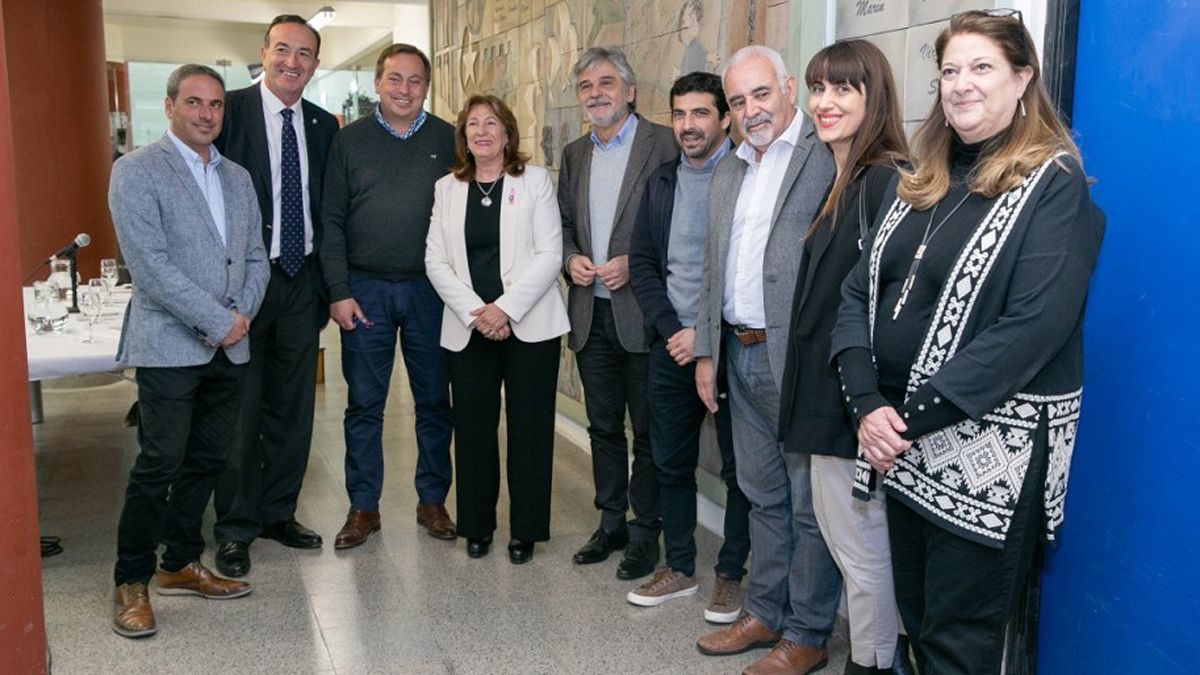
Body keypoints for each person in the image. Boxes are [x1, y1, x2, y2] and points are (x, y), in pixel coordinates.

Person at [830, 11, 1105, 674]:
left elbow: (1033, 328)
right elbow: (856, 295)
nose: (961, 84)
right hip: (902, 447)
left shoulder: (1054, 185)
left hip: (983, 462)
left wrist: (901, 421)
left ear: (1023, 78)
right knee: (920, 627)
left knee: (958, 648)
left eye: (982, 67)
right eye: (950, 70)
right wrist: (866, 404)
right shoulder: (920, 179)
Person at [691, 45, 840, 675]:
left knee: (809, 506)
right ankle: (765, 613)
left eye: (760, 94)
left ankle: (808, 632)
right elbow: (713, 268)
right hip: (739, 352)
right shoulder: (730, 169)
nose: (750, 110)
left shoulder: (826, 156)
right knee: (762, 496)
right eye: (738, 101)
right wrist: (706, 352)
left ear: (788, 88)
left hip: (801, 361)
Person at [108, 64, 269, 638]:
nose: (206, 114)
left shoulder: (238, 178)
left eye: (216, 104)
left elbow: (256, 257)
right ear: (170, 105)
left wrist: (240, 316)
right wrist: (218, 322)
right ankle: (131, 580)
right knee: (160, 463)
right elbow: (149, 266)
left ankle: (178, 562)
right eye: (195, 102)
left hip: (230, 346)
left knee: (208, 459)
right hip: (169, 345)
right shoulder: (136, 170)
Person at [777, 40, 912, 675]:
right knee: (850, 545)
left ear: (873, 96)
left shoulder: (884, 180)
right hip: (827, 397)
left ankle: (874, 664)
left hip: (851, 404)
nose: (824, 102)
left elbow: (888, 307)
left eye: (843, 89)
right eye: (818, 88)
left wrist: (865, 403)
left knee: (863, 553)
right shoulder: (846, 179)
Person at [211, 13, 339, 578]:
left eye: (304, 53)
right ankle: (236, 527)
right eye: (283, 49)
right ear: (263, 53)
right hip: (243, 282)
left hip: (300, 280)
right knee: (240, 409)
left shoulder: (323, 124)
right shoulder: (229, 111)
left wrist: (330, 286)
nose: (293, 62)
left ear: (316, 64)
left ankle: (279, 513)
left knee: (293, 407)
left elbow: (328, 209)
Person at [319, 44, 457, 549]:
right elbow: (331, 221)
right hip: (365, 290)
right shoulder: (349, 141)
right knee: (364, 404)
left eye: (415, 80)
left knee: (434, 402)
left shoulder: (449, 138)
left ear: (427, 87)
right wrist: (338, 291)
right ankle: (363, 507)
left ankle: (432, 501)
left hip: (430, 291)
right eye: (395, 79)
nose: (404, 89)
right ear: (377, 83)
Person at [626, 71, 751, 623]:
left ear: (725, 117)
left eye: (701, 113)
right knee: (668, 461)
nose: (688, 125)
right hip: (672, 345)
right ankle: (679, 566)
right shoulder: (662, 181)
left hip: (731, 348)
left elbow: (745, 270)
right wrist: (674, 330)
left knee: (740, 470)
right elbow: (643, 264)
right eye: (679, 114)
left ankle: (730, 575)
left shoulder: (746, 176)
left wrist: (706, 334)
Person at [425, 95, 570, 564]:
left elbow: (550, 253)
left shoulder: (534, 182)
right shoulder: (447, 188)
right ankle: (477, 525)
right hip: (468, 328)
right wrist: (478, 313)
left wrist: (504, 310)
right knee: (472, 430)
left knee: (530, 431)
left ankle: (525, 530)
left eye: (491, 123)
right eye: (473, 124)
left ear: (507, 133)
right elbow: (435, 260)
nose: (482, 132)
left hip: (530, 325)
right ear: (463, 136)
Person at [559, 46, 677, 580]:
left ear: (630, 91)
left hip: (646, 316)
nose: (596, 94)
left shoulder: (664, 143)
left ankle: (645, 532)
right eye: (586, 86)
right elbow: (563, 225)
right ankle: (610, 523)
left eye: (606, 83)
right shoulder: (574, 154)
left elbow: (686, 223)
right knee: (603, 426)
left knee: (648, 432)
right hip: (591, 315)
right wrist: (571, 260)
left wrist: (638, 262)